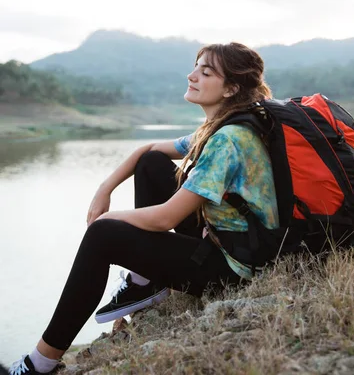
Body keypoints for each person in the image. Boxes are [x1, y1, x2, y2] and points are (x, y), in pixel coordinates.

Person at [9, 42, 279, 375]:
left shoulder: (229, 140)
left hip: (235, 269)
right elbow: (149, 148)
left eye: (205, 72)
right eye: (195, 66)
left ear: (231, 88)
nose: (192, 76)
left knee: (103, 235)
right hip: (229, 240)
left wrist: (107, 220)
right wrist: (104, 189)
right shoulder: (220, 127)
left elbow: (166, 217)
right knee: (152, 163)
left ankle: (39, 364)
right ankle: (145, 280)